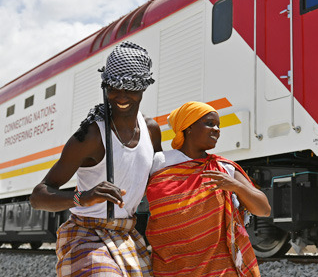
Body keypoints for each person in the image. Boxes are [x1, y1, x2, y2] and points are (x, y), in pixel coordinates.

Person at [30, 41, 162, 277]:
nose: (121, 95)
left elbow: (162, 181)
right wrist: (85, 197)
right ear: (105, 86)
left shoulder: (151, 130)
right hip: (85, 234)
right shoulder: (91, 136)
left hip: (126, 234)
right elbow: (38, 197)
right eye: (113, 87)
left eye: (130, 87)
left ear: (143, 87)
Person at [146, 101, 271, 277]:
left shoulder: (223, 168)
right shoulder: (160, 163)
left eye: (218, 126)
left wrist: (236, 186)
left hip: (219, 268)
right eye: (210, 124)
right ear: (188, 128)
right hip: (170, 267)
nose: (217, 129)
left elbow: (264, 209)